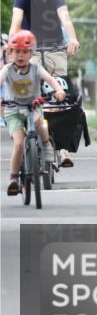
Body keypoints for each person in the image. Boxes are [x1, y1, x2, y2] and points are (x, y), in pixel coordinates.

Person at [9, 0, 81, 166]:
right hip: (30, 50)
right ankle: (25, 135)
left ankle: (63, 149)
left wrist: (72, 38)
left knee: (60, 95)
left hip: (56, 49)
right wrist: (13, 48)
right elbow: (16, 23)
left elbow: (65, 19)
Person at [1, 30, 66, 195]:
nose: (20, 56)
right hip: (13, 110)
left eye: (24, 52)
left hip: (33, 106)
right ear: (9, 53)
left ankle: (46, 144)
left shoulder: (36, 68)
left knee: (40, 124)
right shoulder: (7, 70)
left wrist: (58, 90)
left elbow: (50, 80)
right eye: (16, 52)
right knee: (18, 144)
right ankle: (14, 179)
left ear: (31, 54)